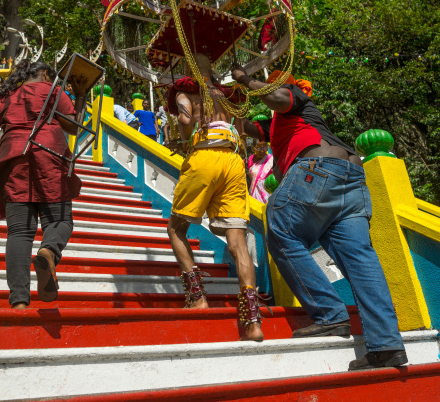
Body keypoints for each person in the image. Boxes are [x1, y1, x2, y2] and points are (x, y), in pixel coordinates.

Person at [231, 64, 407, 370]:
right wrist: (232, 97)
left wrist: (246, 79)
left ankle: (330, 315)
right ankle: (387, 345)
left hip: (319, 171)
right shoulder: (278, 128)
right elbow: (243, 126)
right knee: (361, 259)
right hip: (350, 180)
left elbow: (278, 98)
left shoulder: (297, 99)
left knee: (280, 232)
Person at [166, 54, 264, 342]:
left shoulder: (187, 93)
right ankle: (253, 322)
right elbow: (243, 128)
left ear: (188, 69)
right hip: (233, 162)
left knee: (176, 228)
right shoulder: (230, 94)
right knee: (238, 243)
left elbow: (185, 122)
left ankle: (197, 296)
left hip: (205, 155)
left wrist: (184, 134)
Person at [0, 60, 88, 310]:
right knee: (60, 221)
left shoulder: (4, 95)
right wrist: (79, 97)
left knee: (19, 232)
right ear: (47, 74)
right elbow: (73, 127)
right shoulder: (52, 91)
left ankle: (18, 301)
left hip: (13, 156)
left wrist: (2, 159)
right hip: (50, 154)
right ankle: (48, 251)